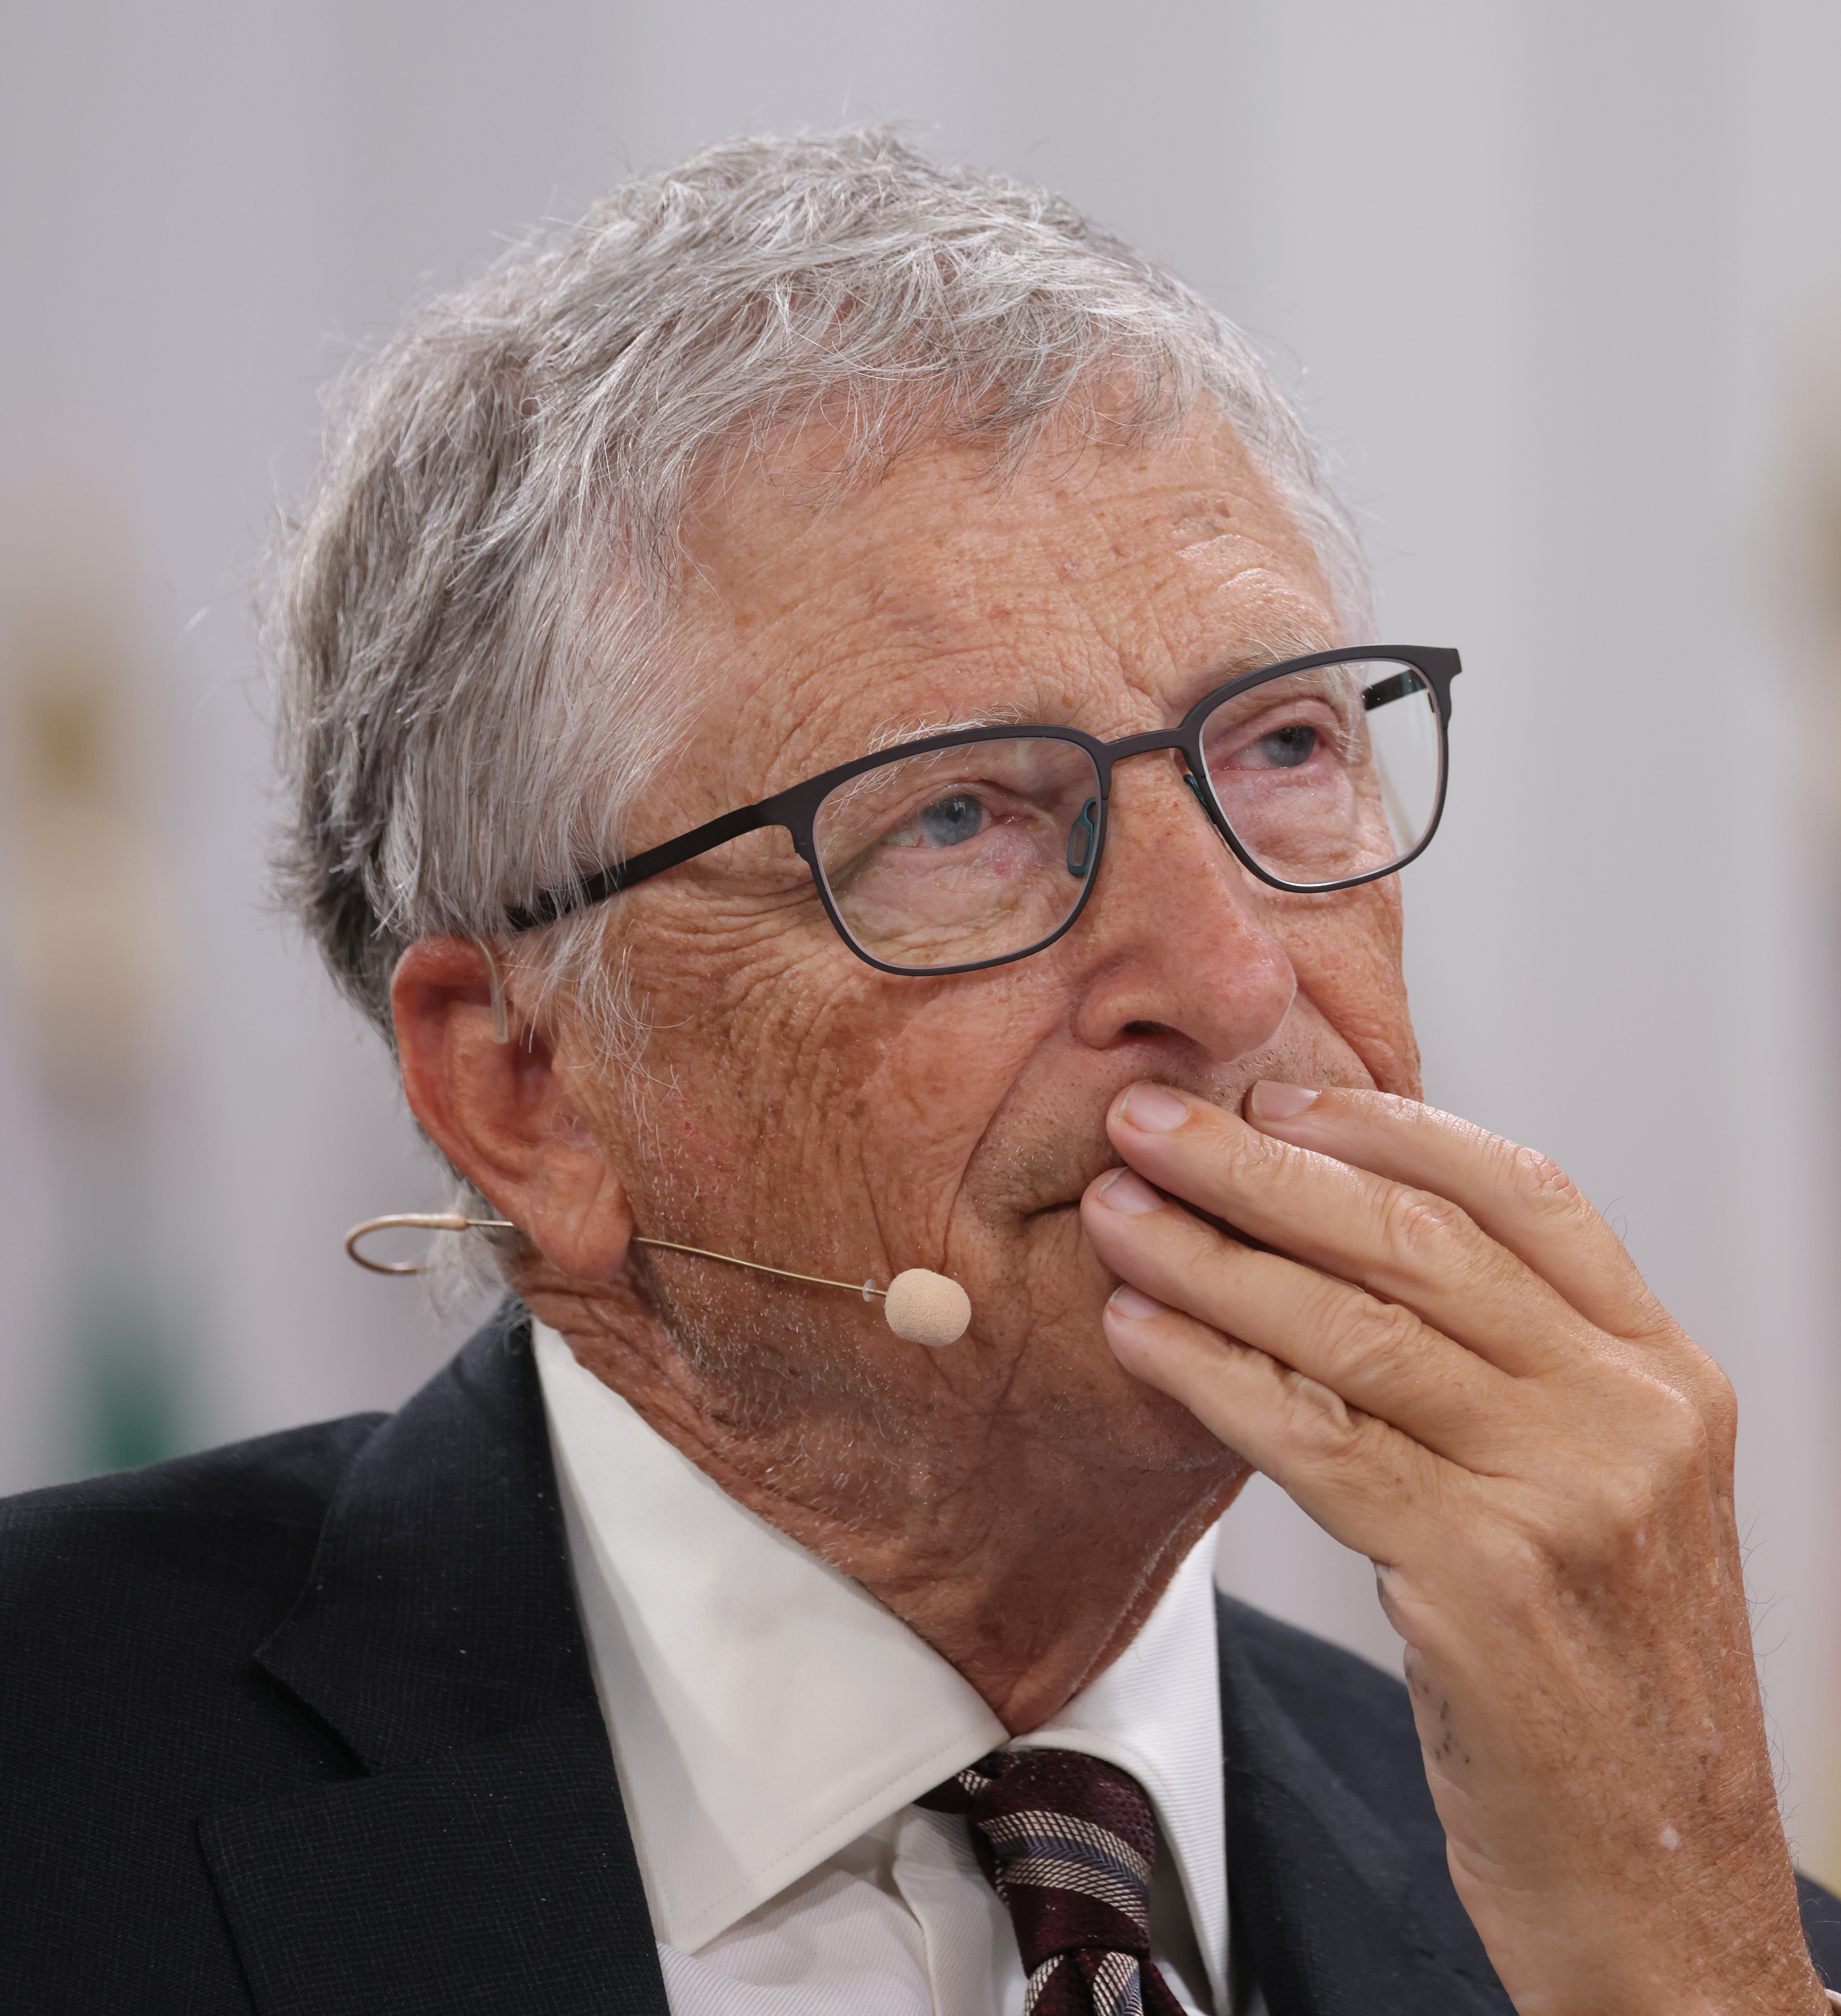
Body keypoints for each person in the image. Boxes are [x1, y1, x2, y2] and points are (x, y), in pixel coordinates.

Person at [2, 132, 1836, 2016]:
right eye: (959, 814)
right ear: (527, 1092)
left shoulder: (1689, 1935)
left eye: (1284, 745)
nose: (1232, 979)